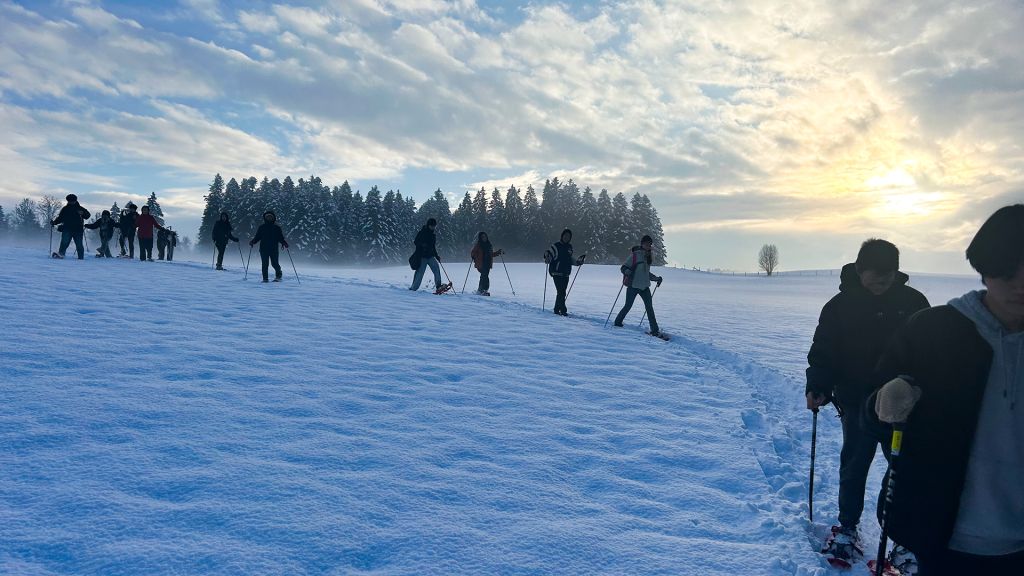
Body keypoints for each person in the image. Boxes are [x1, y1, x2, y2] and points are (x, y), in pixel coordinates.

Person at [870, 205, 1024, 576]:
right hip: (947, 540)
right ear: (984, 266)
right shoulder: (933, 331)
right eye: (1007, 269)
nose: (1022, 282)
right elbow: (874, 417)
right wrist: (883, 403)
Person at [805, 239, 930, 567]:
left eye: (889, 273)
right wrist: (818, 385)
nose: (883, 279)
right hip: (857, 401)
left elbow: (931, 352)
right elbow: (824, 350)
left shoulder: (913, 302)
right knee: (855, 464)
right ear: (860, 270)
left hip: (901, 406)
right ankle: (846, 528)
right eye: (876, 273)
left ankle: (902, 538)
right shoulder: (839, 306)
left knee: (903, 470)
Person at [613, 235, 664, 336]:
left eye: (650, 244)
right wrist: (627, 272)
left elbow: (646, 274)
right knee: (628, 305)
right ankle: (617, 322)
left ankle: (655, 330)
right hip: (633, 285)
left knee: (649, 308)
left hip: (645, 287)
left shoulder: (649, 256)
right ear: (642, 244)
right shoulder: (635, 255)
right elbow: (623, 267)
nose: (648, 245)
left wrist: (656, 278)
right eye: (646, 243)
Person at [543, 228, 585, 316]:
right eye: (565, 236)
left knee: (562, 292)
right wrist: (546, 256)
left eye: (568, 236)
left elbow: (570, 259)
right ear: (562, 236)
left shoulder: (569, 247)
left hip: (566, 273)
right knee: (561, 291)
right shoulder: (556, 246)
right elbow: (549, 254)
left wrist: (577, 262)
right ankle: (563, 310)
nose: (567, 238)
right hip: (556, 272)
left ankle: (556, 309)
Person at [409, 218, 449, 294]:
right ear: (428, 225)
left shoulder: (433, 235)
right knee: (420, 273)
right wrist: (422, 244)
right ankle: (413, 288)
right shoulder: (422, 232)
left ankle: (438, 286)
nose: (433, 227)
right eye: (432, 226)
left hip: (430, 256)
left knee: (436, 269)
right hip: (422, 257)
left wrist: (437, 256)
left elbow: (433, 247)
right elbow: (416, 242)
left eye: (434, 226)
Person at [250, 210, 289, 282]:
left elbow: (280, 238)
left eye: (270, 217)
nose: (269, 218)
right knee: (265, 264)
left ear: (273, 218)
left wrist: (284, 243)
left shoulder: (277, 228)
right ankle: (265, 279)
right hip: (263, 249)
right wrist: (253, 242)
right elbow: (258, 237)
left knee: (274, 263)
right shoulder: (262, 227)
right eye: (267, 217)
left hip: (274, 249)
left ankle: (278, 275)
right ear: (265, 218)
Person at [50, 194, 91, 260]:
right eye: (69, 201)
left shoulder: (80, 208)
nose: (71, 202)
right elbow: (60, 218)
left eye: (72, 201)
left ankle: (81, 257)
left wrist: (83, 213)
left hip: (78, 230)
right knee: (64, 242)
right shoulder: (65, 209)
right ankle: (61, 254)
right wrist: (54, 222)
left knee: (79, 245)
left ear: (75, 201)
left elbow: (88, 215)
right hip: (67, 229)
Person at [470, 232, 504, 296]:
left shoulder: (489, 245)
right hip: (480, 264)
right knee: (484, 276)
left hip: (488, 263)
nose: (484, 238)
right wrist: (473, 256)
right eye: (482, 237)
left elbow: (491, 254)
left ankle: (480, 290)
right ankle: (484, 290)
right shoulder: (478, 245)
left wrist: (498, 252)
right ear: (480, 238)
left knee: (483, 276)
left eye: (485, 236)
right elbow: (472, 252)